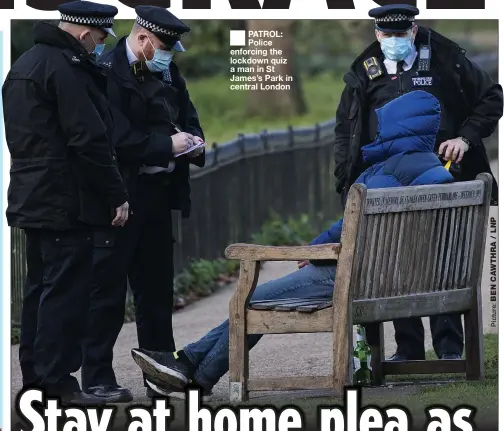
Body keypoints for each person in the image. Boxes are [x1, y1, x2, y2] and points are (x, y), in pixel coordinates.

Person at [130, 90, 455, 399]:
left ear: (400, 127)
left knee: (252, 298)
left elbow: (350, 227)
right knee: (255, 300)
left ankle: (188, 366)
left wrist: (314, 250)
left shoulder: (388, 172)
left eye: (384, 124)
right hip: (402, 279)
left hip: (361, 280)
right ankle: (192, 372)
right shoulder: (433, 172)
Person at [332, 4, 502, 362]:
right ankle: (407, 349)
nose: (394, 41)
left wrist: (465, 139)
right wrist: (345, 183)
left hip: (442, 177)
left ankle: (449, 348)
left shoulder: (445, 58)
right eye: (387, 35)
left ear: (414, 29)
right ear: (377, 34)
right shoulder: (365, 71)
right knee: (393, 261)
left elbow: (492, 97)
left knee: (444, 261)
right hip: (387, 185)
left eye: (401, 34)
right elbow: (346, 132)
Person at [3, 1, 128, 405]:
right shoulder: (65, 68)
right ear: (82, 32)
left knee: (39, 290)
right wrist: (115, 194)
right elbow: (87, 139)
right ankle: (56, 382)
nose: (100, 44)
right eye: (99, 37)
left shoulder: (25, 64)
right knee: (65, 292)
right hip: (65, 198)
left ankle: (37, 380)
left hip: (32, 192)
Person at [80, 5, 206, 402]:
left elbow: (188, 115)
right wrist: (165, 145)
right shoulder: (106, 71)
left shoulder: (167, 71)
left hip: (156, 196)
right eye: (165, 45)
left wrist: (194, 143)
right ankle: (97, 376)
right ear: (143, 39)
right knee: (108, 293)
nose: (169, 53)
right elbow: (113, 138)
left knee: (155, 295)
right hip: (120, 196)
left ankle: (160, 376)